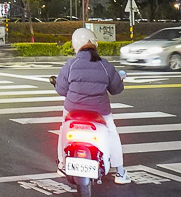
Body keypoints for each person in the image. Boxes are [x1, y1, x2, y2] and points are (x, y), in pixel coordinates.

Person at [53, 27, 130, 185]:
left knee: (63, 129)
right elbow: (116, 89)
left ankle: (62, 165)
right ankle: (120, 172)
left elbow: (61, 90)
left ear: (75, 45)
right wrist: (120, 80)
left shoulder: (71, 64)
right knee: (112, 133)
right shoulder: (104, 65)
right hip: (99, 111)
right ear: (95, 44)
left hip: (73, 109)